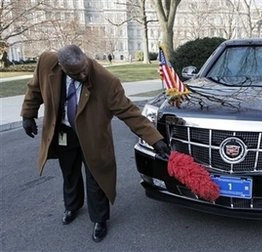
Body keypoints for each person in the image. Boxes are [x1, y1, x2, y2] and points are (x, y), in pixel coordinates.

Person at [20, 45, 170, 242]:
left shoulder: (106, 81)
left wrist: (156, 140)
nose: (83, 74)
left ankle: (99, 219)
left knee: (96, 177)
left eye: (85, 68)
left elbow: (130, 112)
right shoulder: (47, 62)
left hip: (93, 136)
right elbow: (35, 88)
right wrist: (28, 115)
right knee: (69, 171)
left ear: (85, 57)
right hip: (64, 132)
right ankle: (72, 206)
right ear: (62, 67)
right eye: (76, 73)